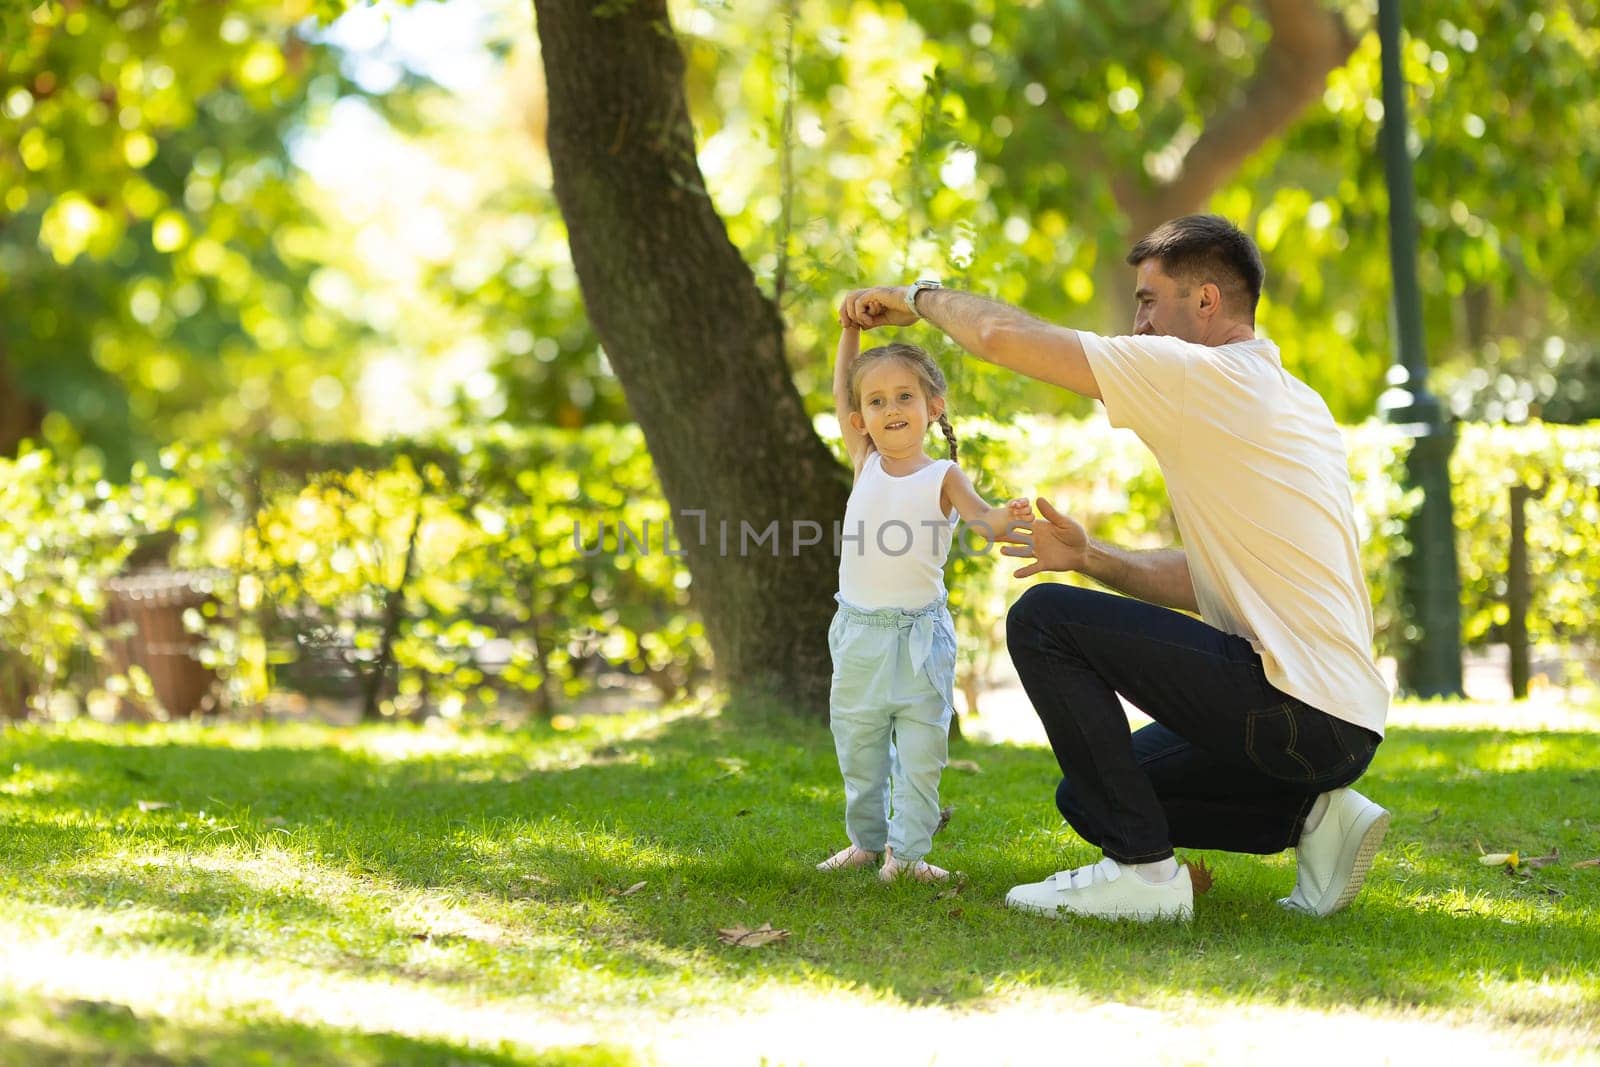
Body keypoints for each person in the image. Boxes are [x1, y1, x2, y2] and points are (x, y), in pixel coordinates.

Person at [839, 214, 1391, 920]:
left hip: (1293, 708)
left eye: (1148, 301)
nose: (1137, 323)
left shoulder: (1201, 372)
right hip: (1336, 730)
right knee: (1089, 794)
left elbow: (1001, 339)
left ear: (1206, 304)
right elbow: (1206, 579)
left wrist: (915, 297)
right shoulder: (1295, 399)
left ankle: (1143, 876)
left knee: (1042, 619)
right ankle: (1313, 816)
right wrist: (1087, 556)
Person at [817, 318, 1032, 883]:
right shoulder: (864, 460)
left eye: (905, 396)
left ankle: (907, 856)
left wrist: (1003, 518)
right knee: (859, 751)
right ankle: (866, 843)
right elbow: (840, 389)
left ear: (932, 406)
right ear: (861, 417)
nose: (892, 408)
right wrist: (847, 332)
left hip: (920, 639)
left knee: (921, 752)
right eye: (878, 400)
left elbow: (983, 520)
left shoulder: (944, 474)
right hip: (860, 634)